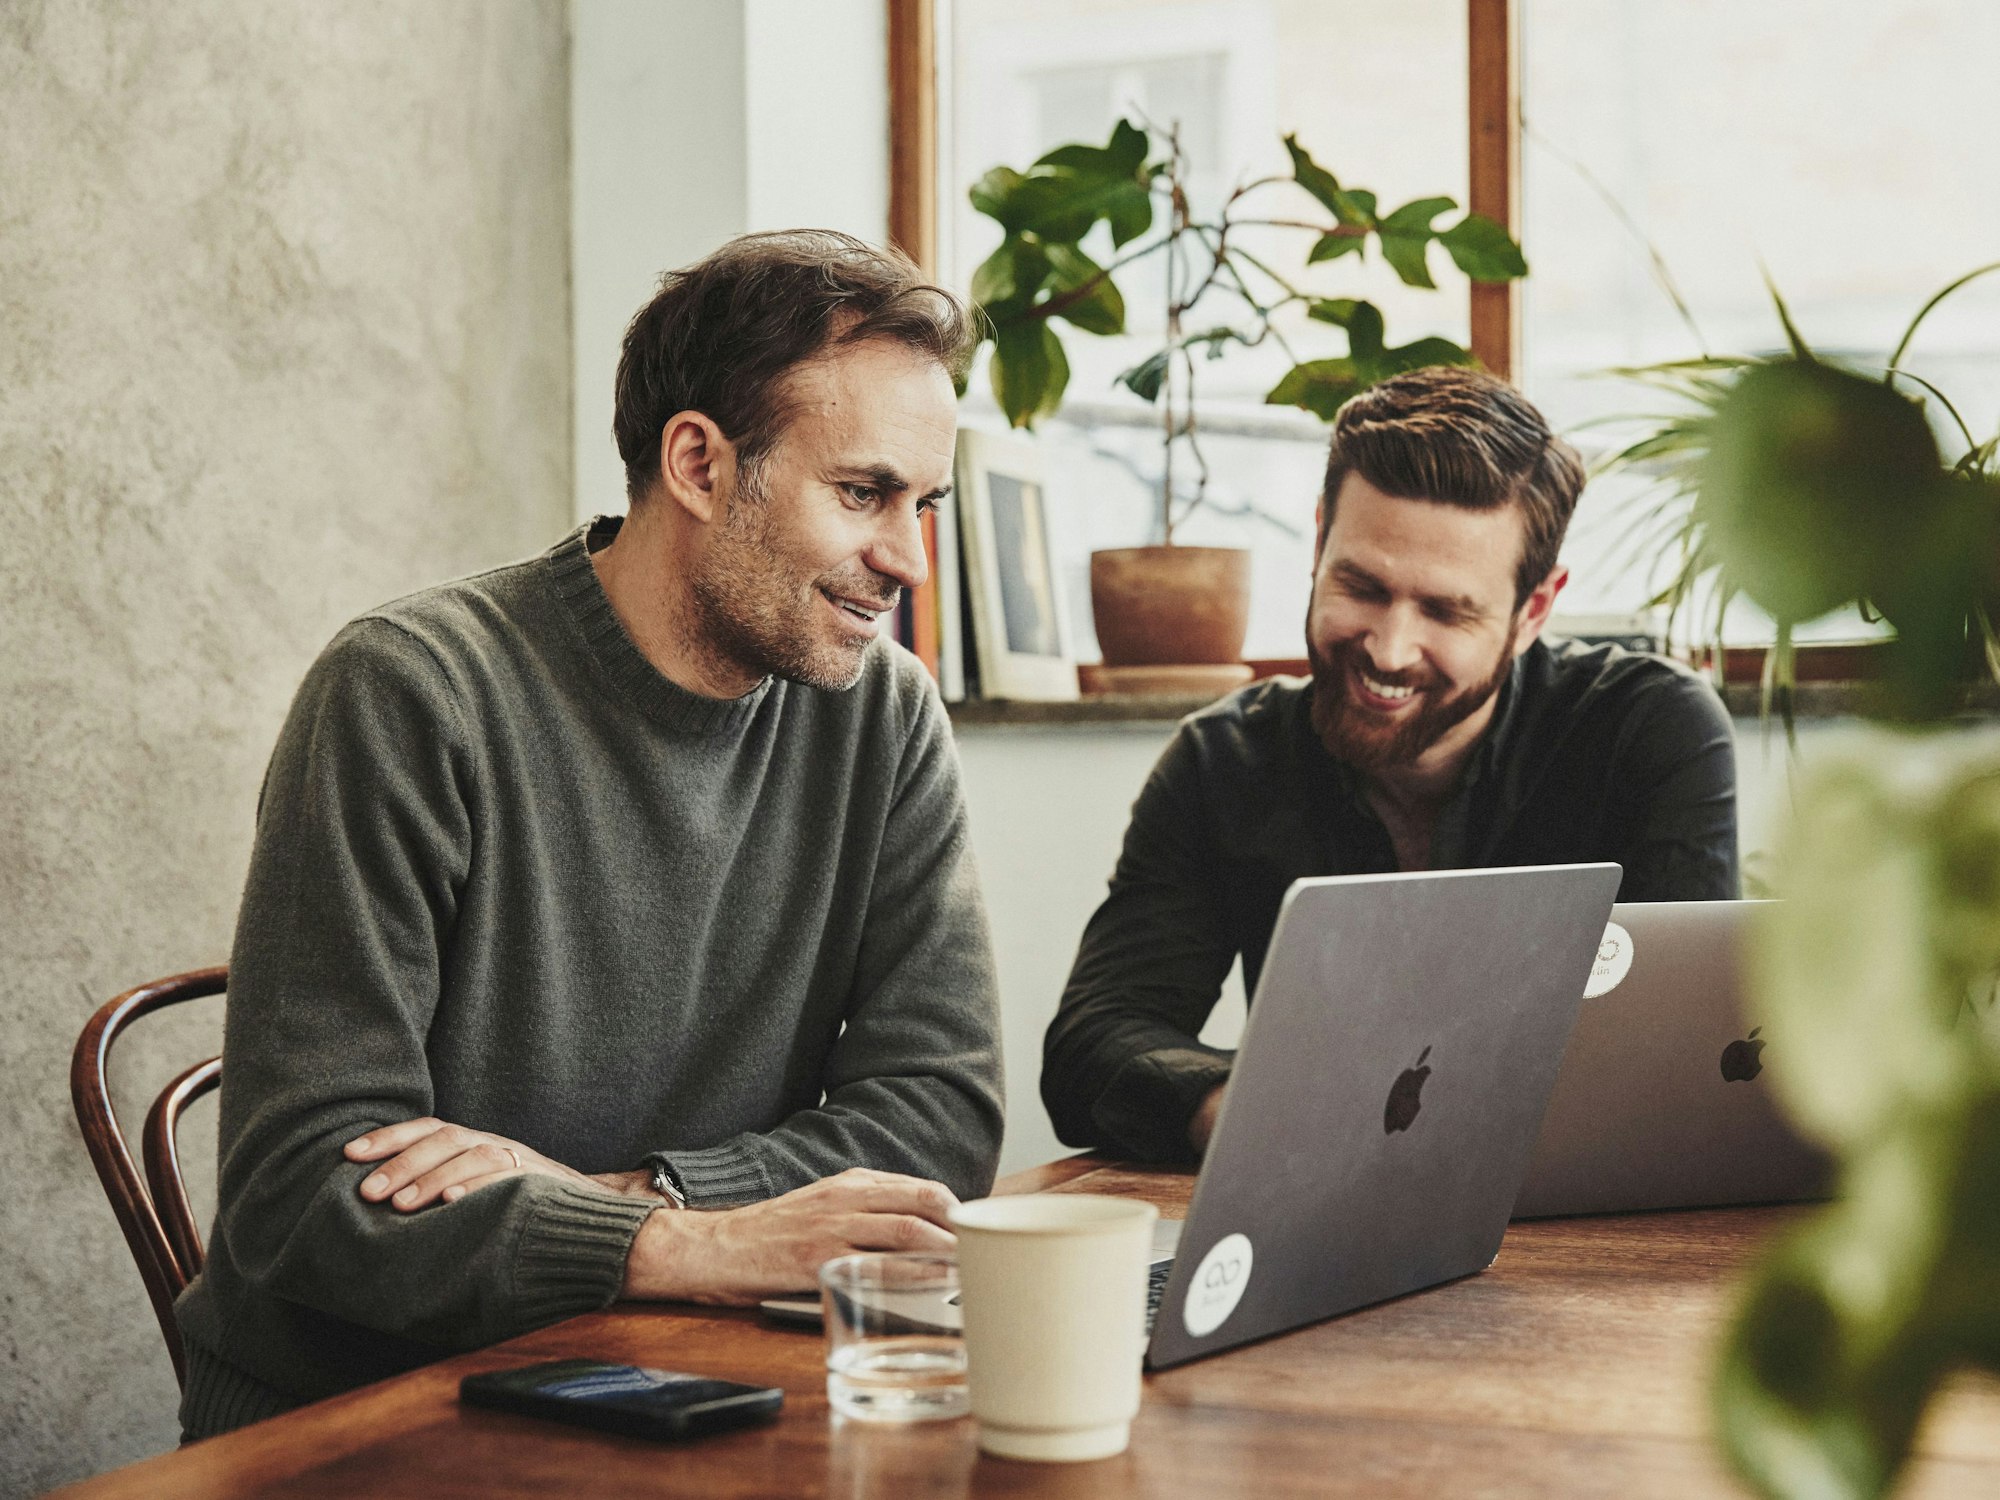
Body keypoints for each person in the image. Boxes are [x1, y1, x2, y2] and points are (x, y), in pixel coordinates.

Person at [176, 231, 1005, 1437]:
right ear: (698, 464)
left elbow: (937, 1119)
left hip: (674, 1378)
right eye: (863, 493)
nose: (907, 560)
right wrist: (681, 1246)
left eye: (920, 504)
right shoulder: (410, 692)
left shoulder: (880, 714)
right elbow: (301, 1192)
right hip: (359, 1419)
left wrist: (631, 1204)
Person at [1042, 366, 1738, 1163]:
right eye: (1363, 587)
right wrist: (1249, 1109)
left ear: (1533, 611)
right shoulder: (1223, 762)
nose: (1388, 648)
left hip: (1586, 1233)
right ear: (1317, 546)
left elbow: (1680, 1057)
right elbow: (1094, 1042)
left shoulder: (1648, 733)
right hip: (1317, 1223)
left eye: (1446, 610)